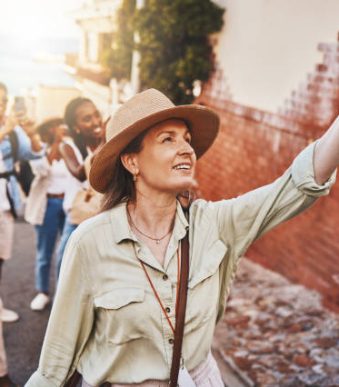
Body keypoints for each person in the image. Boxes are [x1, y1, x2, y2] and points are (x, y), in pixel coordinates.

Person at [26, 88, 337, 386]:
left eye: (187, 140)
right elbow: (54, 366)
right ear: (132, 161)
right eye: (167, 139)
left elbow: (296, 186)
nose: (187, 148)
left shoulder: (214, 224)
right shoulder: (90, 243)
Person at [0, 82, 44, 386]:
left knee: (2, 258)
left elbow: (35, 155)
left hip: (4, 204)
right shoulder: (5, 131)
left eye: (4, 101)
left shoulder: (13, 131)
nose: (2, 106)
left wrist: (33, 132)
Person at [55, 97, 105, 277]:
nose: (95, 122)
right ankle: (60, 303)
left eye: (96, 115)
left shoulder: (109, 144)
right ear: (75, 127)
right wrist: (104, 143)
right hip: (78, 218)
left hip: (104, 215)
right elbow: (79, 172)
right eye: (87, 119)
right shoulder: (67, 146)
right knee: (65, 266)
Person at [25, 118, 69, 311]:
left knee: (67, 251)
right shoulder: (39, 149)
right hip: (48, 204)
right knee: (45, 252)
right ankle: (42, 292)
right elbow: (42, 170)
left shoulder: (70, 148)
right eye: (56, 126)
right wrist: (56, 144)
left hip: (68, 204)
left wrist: (63, 144)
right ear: (48, 130)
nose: (60, 128)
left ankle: (64, 293)